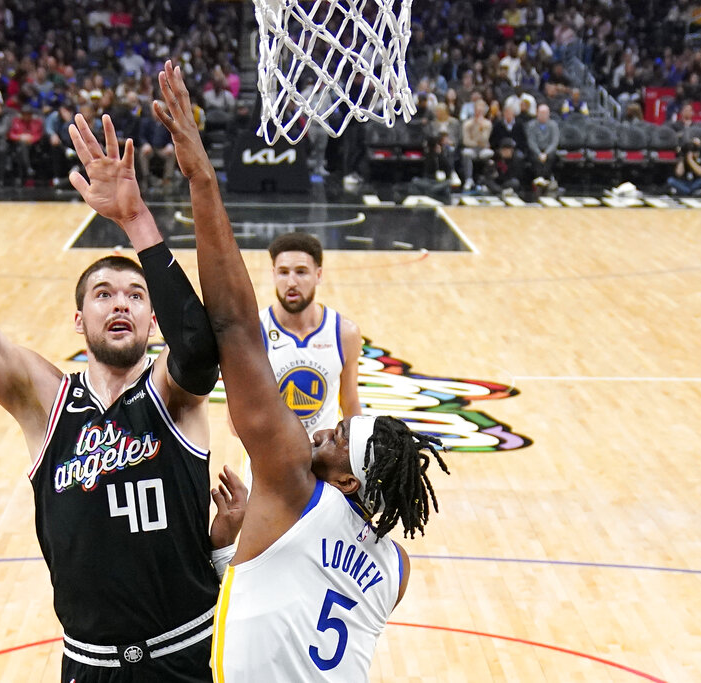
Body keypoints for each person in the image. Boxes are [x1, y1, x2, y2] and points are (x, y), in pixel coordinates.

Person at [0, 62, 246, 683]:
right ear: (78, 319)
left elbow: (201, 348)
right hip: (87, 665)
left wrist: (136, 220)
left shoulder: (175, 396)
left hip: (190, 654)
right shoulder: (42, 399)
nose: (119, 302)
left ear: (153, 321)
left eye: (134, 294)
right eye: (102, 294)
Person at [150, 60, 450, 683]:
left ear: (345, 484)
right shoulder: (396, 568)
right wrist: (247, 546)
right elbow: (309, 598)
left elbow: (233, 325)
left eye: (337, 440)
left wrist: (200, 176)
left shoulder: (290, 478)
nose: (324, 431)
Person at [262, 232, 362, 437]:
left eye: (301, 272)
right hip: (268, 462)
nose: (291, 282)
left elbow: (350, 406)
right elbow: (236, 422)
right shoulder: (254, 332)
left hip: (321, 461)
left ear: (318, 275)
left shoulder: (345, 333)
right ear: (273, 275)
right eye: (283, 272)